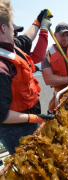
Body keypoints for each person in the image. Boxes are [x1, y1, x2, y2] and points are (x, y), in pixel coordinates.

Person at [0, 0, 54, 155]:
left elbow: (27, 38)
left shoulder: (11, 47)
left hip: (30, 120)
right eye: (11, 25)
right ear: (4, 28)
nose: (13, 29)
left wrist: (38, 21)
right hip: (15, 132)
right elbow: (2, 115)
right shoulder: (2, 68)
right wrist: (35, 118)